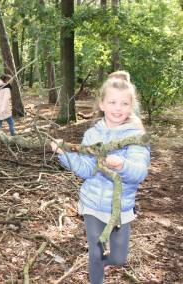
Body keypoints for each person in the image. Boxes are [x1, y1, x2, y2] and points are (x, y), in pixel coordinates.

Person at [51, 78, 150, 284]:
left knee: (120, 259)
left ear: (131, 106)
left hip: (120, 208)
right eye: (112, 102)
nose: (118, 108)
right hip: (92, 205)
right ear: (102, 104)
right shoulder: (92, 134)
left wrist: (122, 165)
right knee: (95, 256)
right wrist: (63, 154)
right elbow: (87, 169)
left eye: (124, 103)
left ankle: (108, 260)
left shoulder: (137, 137)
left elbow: (139, 173)